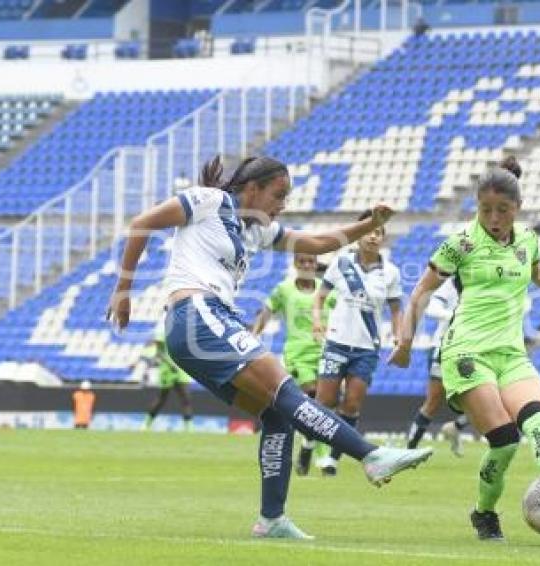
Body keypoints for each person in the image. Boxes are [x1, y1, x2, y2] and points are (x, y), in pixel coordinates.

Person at [107, 155, 432, 540]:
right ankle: (371, 456)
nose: (283, 204)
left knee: (277, 414)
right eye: (278, 195)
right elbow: (141, 224)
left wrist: (369, 223)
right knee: (286, 390)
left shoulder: (257, 230)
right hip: (197, 313)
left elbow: (316, 242)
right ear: (252, 188)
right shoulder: (209, 200)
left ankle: (272, 519)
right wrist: (123, 291)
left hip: (201, 328)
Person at [389, 155, 540, 540]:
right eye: (486, 209)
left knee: (539, 424)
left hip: (511, 354)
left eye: (503, 210)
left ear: (518, 209)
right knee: (506, 441)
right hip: (466, 356)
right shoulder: (461, 243)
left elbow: (536, 271)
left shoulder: (526, 239)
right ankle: (485, 513)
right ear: (476, 206)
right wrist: (406, 341)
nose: (494, 218)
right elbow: (422, 289)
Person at [311, 210, 403, 476]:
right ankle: (309, 443)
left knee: (351, 404)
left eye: (379, 233)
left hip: (366, 348)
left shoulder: (391, 273)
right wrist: (317, 320)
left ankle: (333, 458)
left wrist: (398, 334)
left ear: (383, 239)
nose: (374, 236)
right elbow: (320, 297)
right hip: (337, 341)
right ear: (359, 235)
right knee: (324, 402)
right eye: (370, 231)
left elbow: (397, 308)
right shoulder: (340, 263)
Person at [251, 253, 336, 475]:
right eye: (303, 261)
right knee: (312, 396)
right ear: (295, 264)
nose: (307, 265)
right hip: (297, 354)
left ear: (316, 264)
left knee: (323, 405)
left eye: (311, 261)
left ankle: (308, 446)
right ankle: (323, 457)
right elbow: (266, 312)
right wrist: (252, 336)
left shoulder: (326, 289)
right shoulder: (284, 289)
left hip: (324, 352)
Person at [404, 278, 470, 456]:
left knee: (485, 402)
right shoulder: (451, 283)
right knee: (434, 401)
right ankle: (408, 450)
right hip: (444, 347)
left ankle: (456, 427)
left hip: (474, 349)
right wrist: (456, 316)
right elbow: (432, 309)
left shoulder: (488, 284)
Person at [140, 329, 194, 431]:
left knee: (186, 398)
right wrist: (170, 364)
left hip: (181, 370)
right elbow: (159, 353)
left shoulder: (186, 333)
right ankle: (146, 423)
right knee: (161, 399)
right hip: (167, 370)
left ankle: (189, 427)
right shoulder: (163, 332)